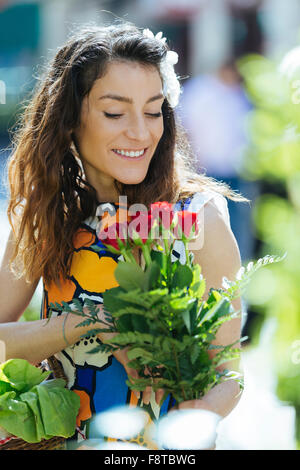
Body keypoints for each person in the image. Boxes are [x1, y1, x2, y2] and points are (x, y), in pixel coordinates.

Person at [0, 22, 245, 449]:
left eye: (153, 111)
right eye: (115, 113)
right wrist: (85, 323)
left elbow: (230, 372)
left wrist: (198, 413)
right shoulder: (46, 216)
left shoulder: (197, 220)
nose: (141, 132)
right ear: (70, 116)